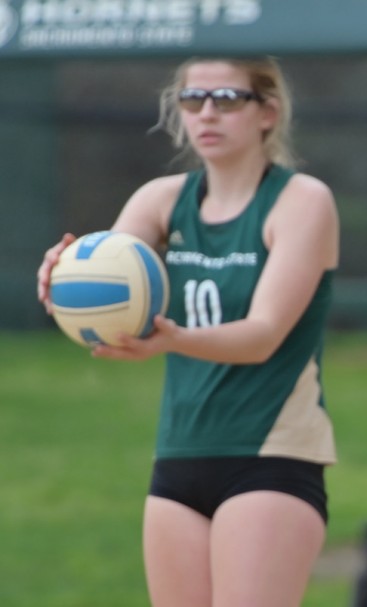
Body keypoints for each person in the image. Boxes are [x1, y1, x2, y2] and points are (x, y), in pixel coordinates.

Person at [37, 56, 340, 606]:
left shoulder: (301, 201)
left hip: (271, 455)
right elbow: (108, 275)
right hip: (178, 457)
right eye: (192, 99)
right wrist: (65, 278)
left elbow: (264, 333)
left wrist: (172, 338)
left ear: (267, 112)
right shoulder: (161, 200)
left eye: (226, 99)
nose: (206, 113)